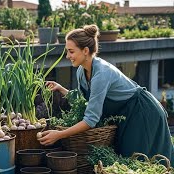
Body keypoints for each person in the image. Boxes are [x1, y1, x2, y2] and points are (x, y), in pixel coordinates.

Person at [38, 24, 174, 165]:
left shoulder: (101, 74)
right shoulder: (81, 71)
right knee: (129, 163)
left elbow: (91, 120)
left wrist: (59, 135)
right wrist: (61, 89)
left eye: (71, 51)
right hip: (126, 114)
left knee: (139, 162)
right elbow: (84, 100)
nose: (67, 56)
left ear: (85, 50)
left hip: (142, 112)